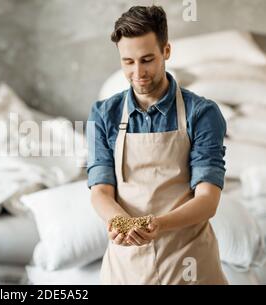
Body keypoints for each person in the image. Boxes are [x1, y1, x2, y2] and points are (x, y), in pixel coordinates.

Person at [87, 5, 228, 284]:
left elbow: (207, 200)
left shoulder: (202, 114)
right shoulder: (103, 114)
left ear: (166, 51)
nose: (138, 72)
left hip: (189, 263)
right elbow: (101, 190)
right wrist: (121, 222)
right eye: (128, 61)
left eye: (147, 59)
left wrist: (157, 225)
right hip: (126, 267)